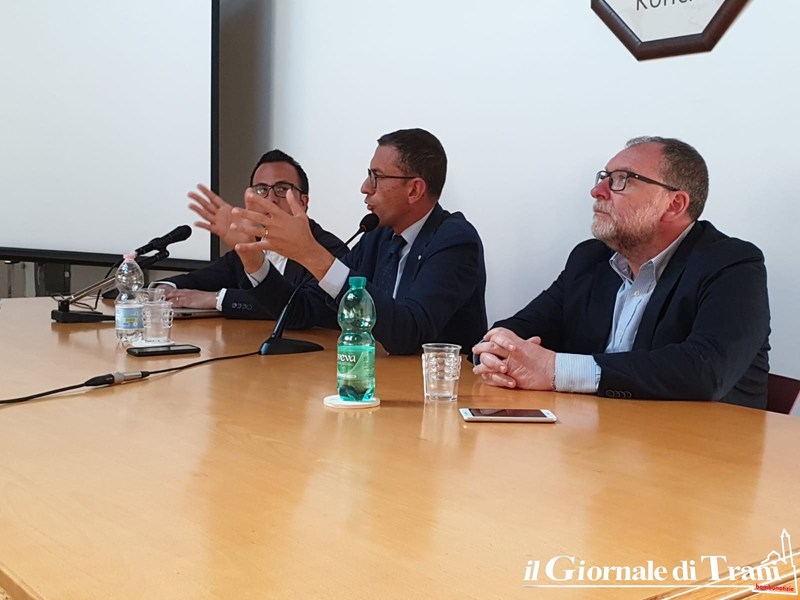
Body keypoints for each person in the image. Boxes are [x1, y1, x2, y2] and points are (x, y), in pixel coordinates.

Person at [472, 136, 770, 409]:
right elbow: (517, 329)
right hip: (599, 434)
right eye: (604, 177)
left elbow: (706, 371)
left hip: (700, 444)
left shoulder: (732, 265)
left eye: (621, 180)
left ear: (674, 204)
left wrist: (554, 370)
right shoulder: (590, 259)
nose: (597, 191)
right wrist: (496, 355)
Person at [229, 128, 487, 355]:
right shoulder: (377, 236)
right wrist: (252, 260)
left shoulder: (455, 242)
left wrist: (311, 254)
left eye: (377, 177)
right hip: (378, 377)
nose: (365, 187)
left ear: (414, 190)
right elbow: (301, 311)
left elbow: (409, 333)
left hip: (438, 389)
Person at [157, 150, 348, 319]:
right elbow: (200, 279)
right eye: (262, 190)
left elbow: (304, 308)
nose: (270, 199)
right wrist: (165, 288)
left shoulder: (329, 250)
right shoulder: (250, 244)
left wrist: (216, 299)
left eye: (282, 189)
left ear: (303, 202)